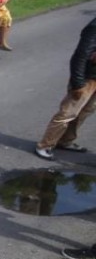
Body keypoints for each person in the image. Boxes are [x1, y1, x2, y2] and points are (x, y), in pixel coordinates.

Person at [33, 15, 96, 160]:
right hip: (86, 78)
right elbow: (81, 55)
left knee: (85, 111)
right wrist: (77, 83)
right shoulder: (94, 28)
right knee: (68, 113)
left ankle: (66, 141)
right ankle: (45, 145)